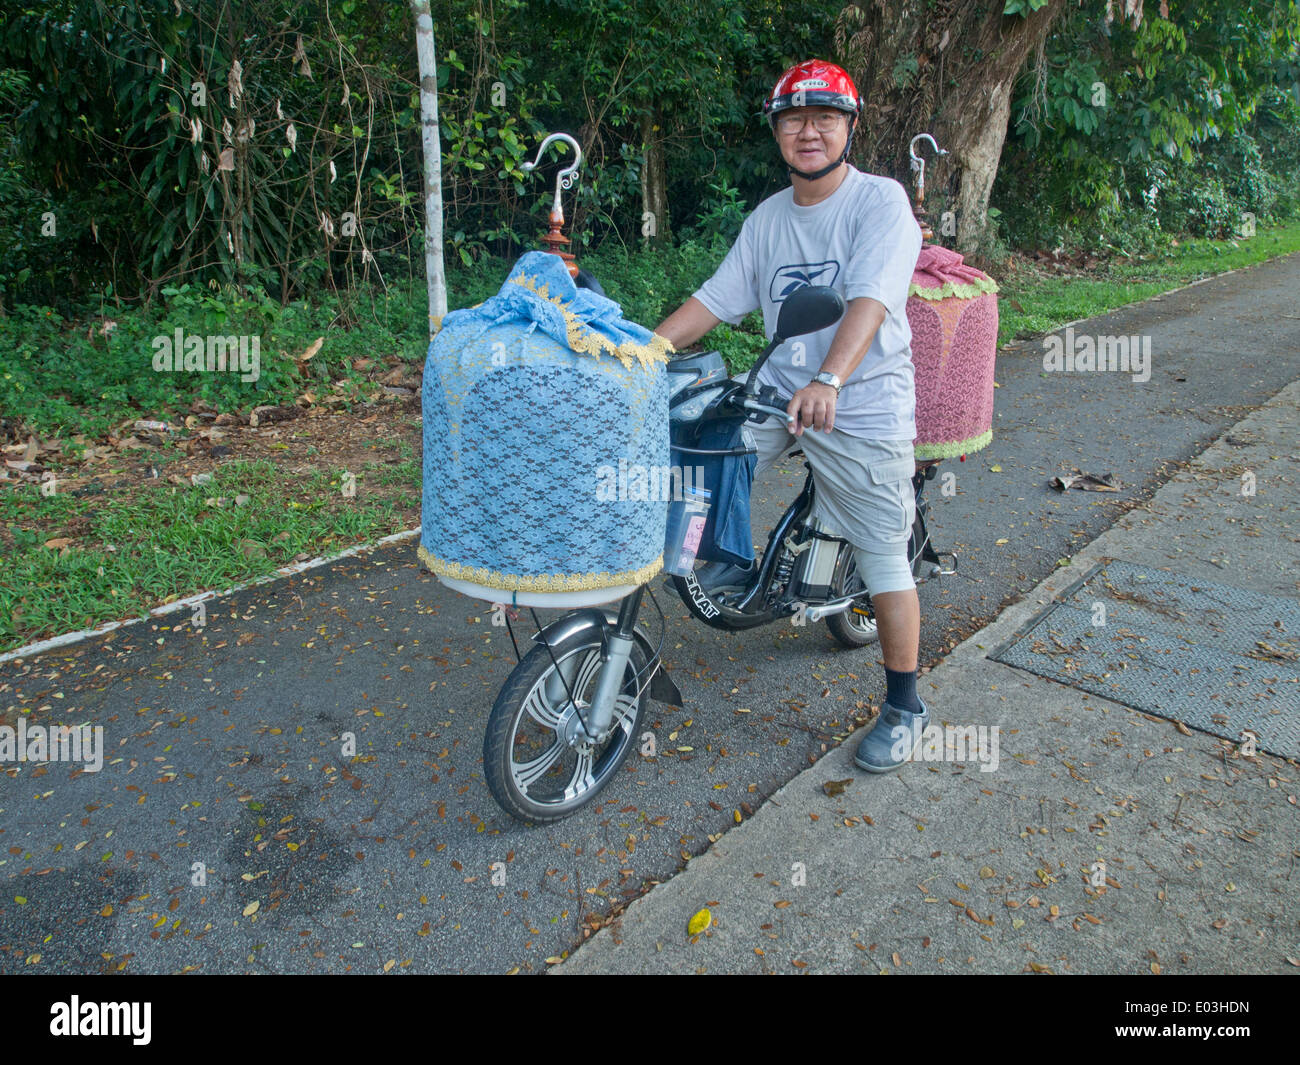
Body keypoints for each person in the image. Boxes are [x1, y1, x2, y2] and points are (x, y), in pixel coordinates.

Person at [653, 59, 927, 773]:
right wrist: (644, 351)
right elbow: (715, 300)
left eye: (824, 118)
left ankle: (905, 706)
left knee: (883, 557)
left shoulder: (881, 203)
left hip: (860, 404)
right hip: (779, 391)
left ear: (849, 128)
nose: (809, 131)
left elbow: (868, 300)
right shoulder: (769, 218)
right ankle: (729, 567)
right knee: (701, 459)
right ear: (777, 132)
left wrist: (832, 376)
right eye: (794, 119)